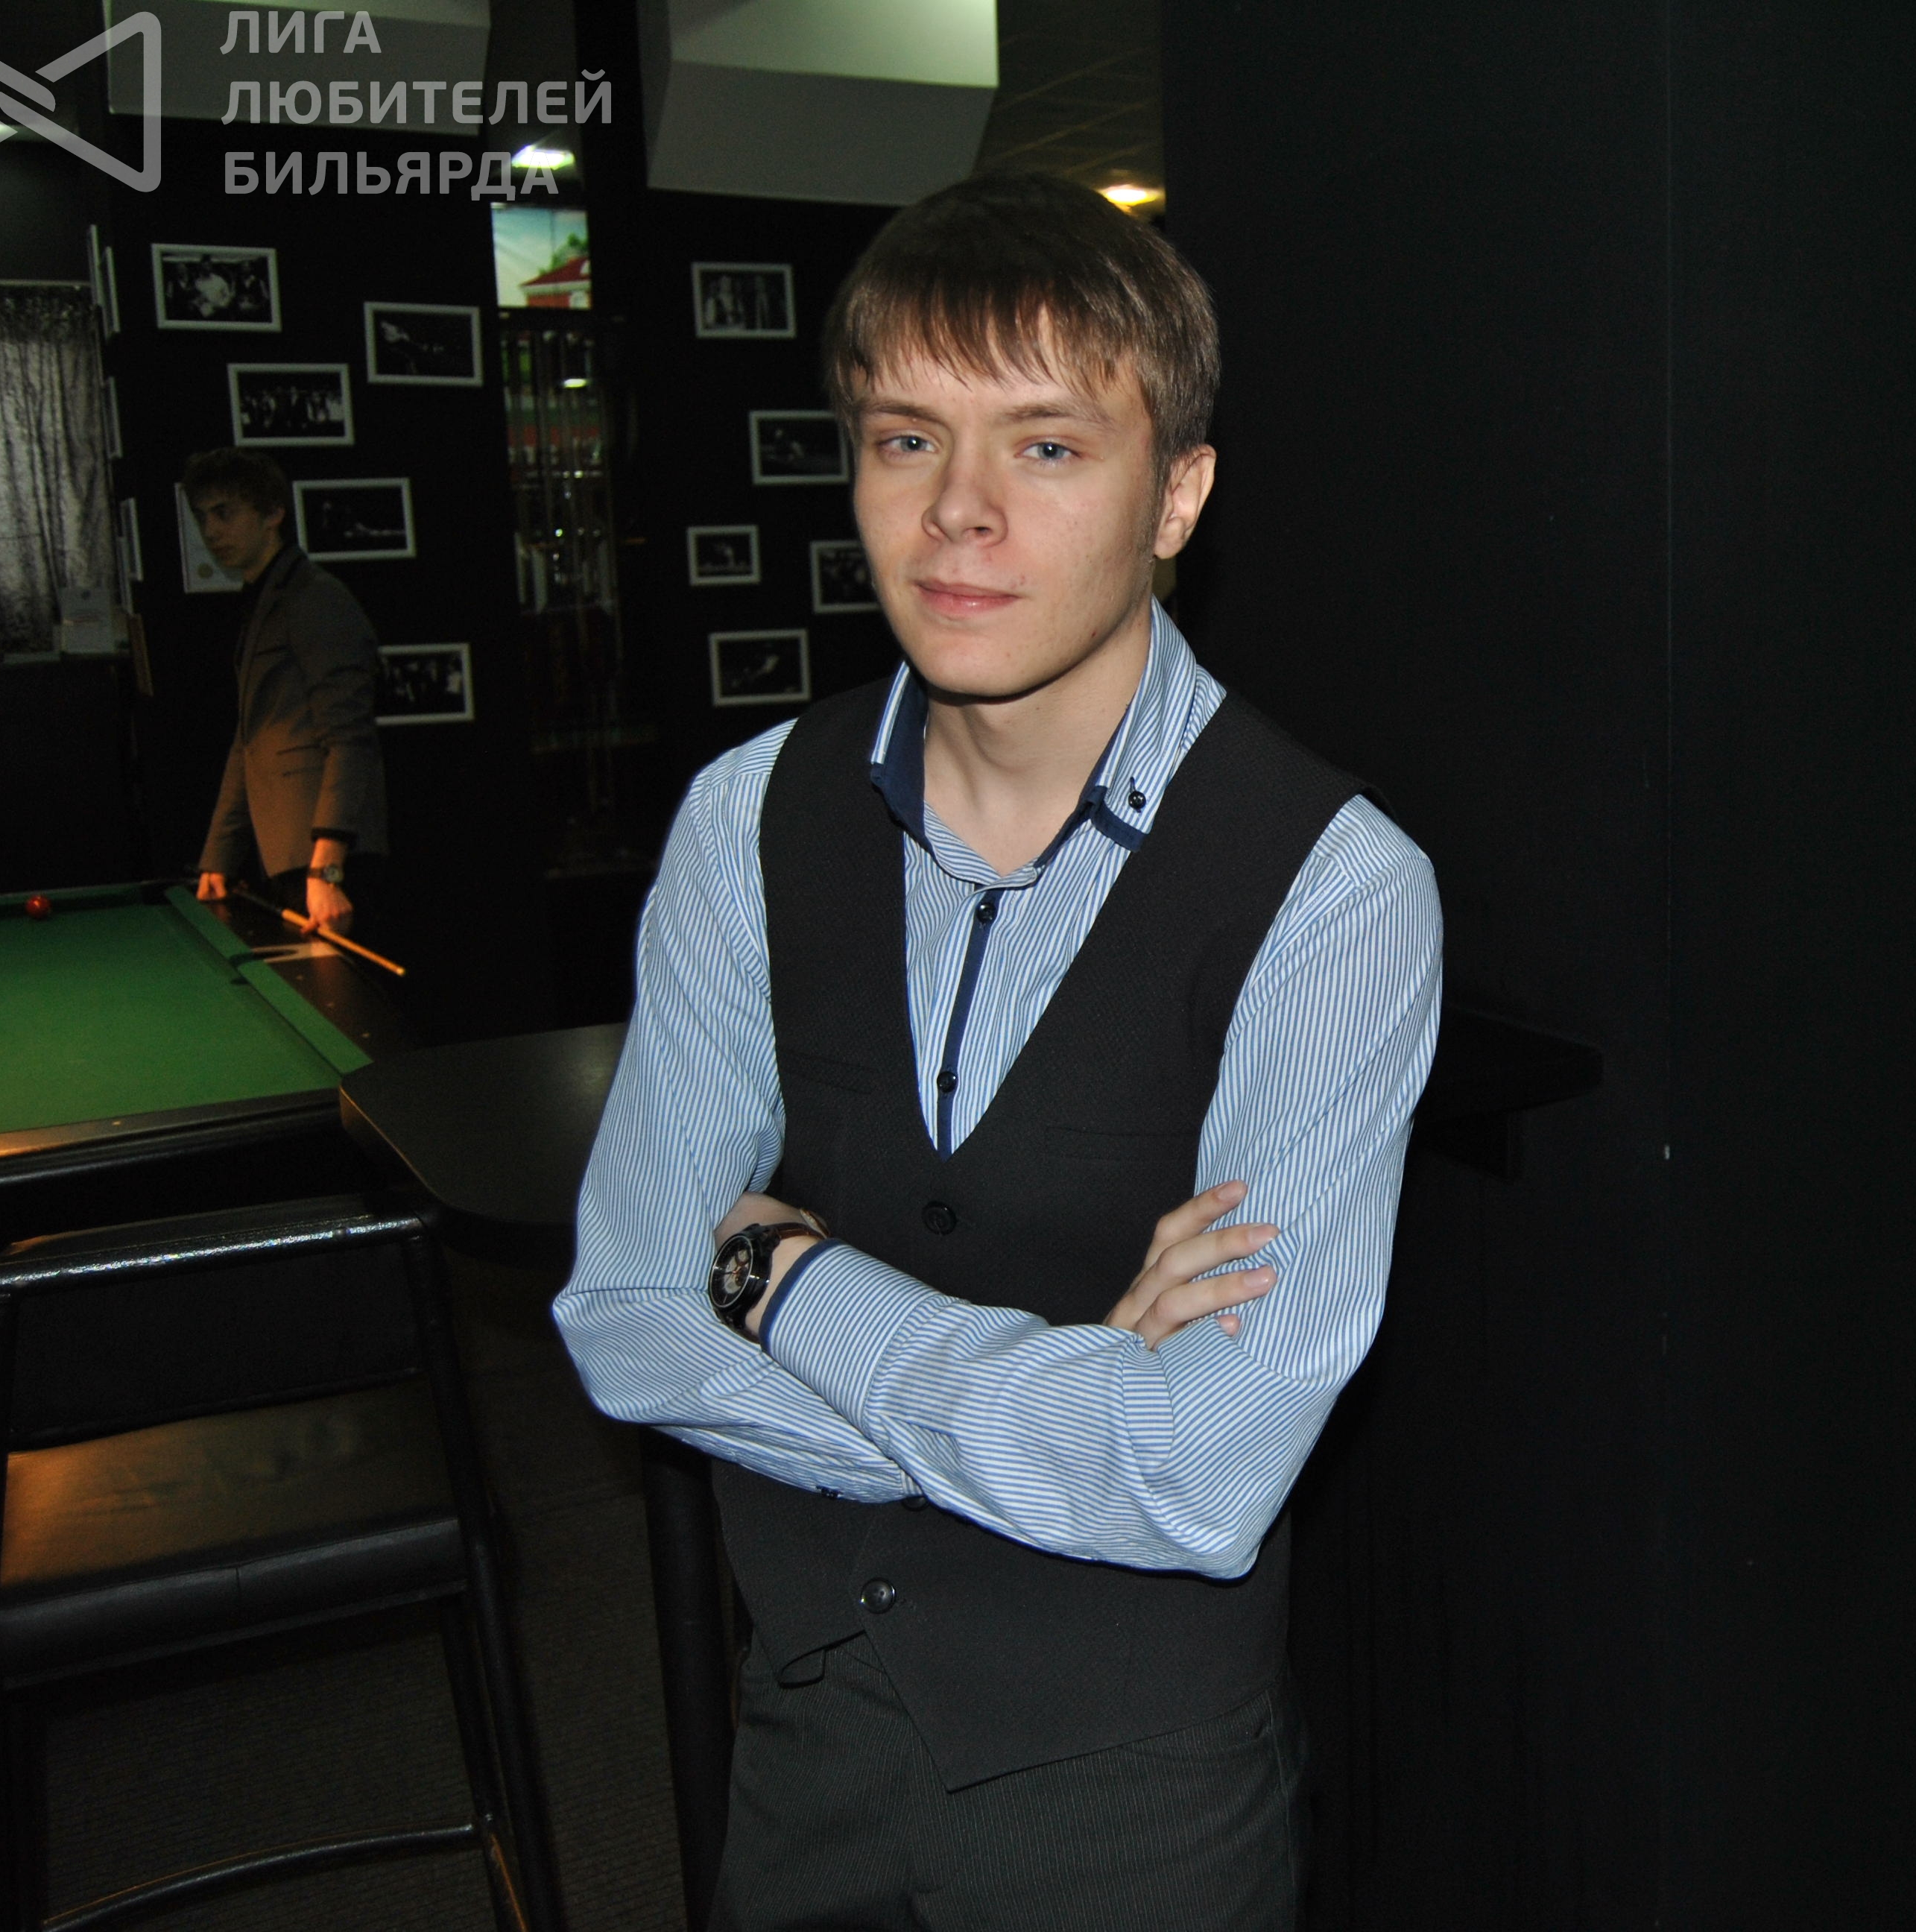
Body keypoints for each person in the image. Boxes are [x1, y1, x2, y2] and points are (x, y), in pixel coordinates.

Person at [554, 173, 1443, 1930]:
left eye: (1045, 447)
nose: (958, 512)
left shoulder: (1336, 887)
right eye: (907, 439)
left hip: (1131, 1806)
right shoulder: (746, 818)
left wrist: (789, 1283)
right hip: (800, 1741)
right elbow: (624, 1314)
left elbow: (1196, 1476)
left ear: (1176, 495)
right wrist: (1077, 1394)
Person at [183, 448, 387, 938]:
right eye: (202, 517)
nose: (211, 531)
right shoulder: (267, 598)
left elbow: (350, 738)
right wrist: (219, 857)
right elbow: (249, 740)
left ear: (273, 513)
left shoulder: (315, 597)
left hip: (329, 860)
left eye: (224, 513)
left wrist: (327, 871)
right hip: (292, 856)